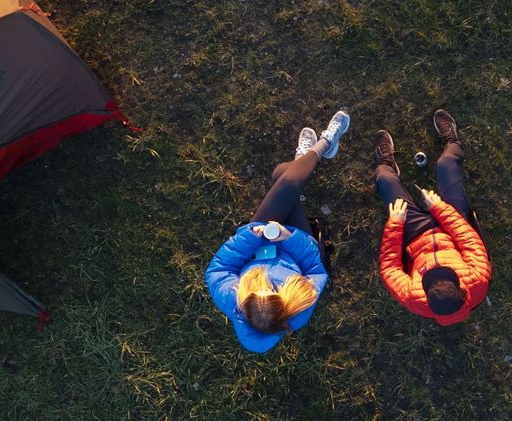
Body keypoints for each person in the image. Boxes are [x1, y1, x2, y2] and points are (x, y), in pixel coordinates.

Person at [208, 111, 349, 353]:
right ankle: (324, 144)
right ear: (283, 302)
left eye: (257, 285)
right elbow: (315, 268)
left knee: (283, 177)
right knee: (285, 179)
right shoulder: (300, 307)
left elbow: (220, 267)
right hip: (295, 242)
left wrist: (252, 236)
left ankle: (306, 155)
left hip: (259, 235)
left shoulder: (229, 297)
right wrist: (290, 238)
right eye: (273, 288)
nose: (266, 282)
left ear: (244, 300)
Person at [371, 109, 490, 326]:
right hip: (451, 230)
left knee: (383, 179)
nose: (436, 272)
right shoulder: (478, 280)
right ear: (462, 289)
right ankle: (452, 140)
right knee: (446, 164)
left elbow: (390, 267)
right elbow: (468, 240)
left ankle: (387, 164)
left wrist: (396, 223)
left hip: (415, 235)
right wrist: (440, 208)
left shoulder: (413, 299)